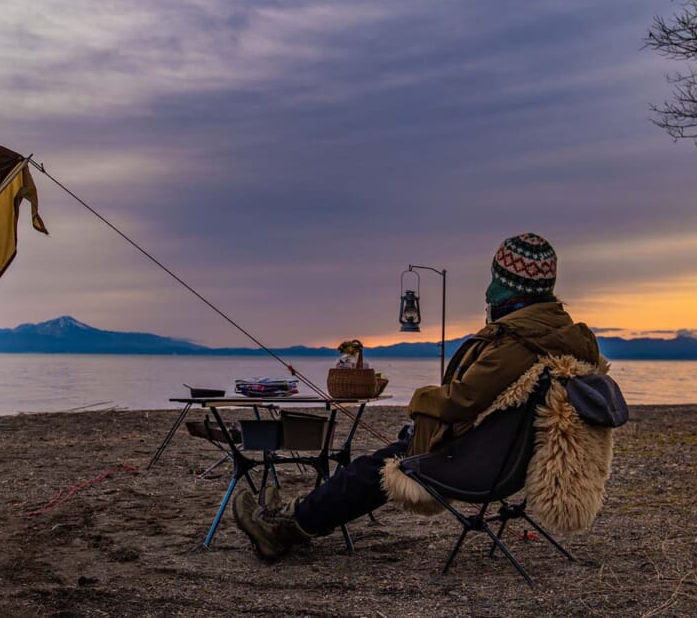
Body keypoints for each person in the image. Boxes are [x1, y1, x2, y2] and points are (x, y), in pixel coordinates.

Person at [232, 233, 605, 561]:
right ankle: (296, 516)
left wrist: (420, 398)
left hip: (475, 463)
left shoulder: (516, 343)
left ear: (509, 286)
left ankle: (286, 529)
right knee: (386, 455)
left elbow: (460, 401)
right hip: (504, 460)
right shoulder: (564, 336)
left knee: (371, 469)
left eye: (496, 279)